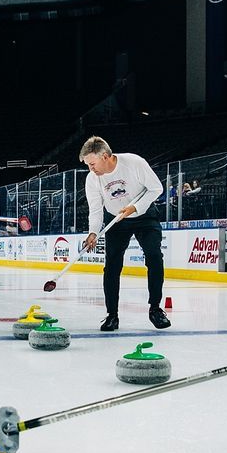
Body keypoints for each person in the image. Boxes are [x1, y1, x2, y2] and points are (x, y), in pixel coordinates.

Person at [80, 136, 170, 332]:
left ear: (105, 156)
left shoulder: (134, 163)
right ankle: (112, 315)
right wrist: (93, 233)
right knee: (112, 265)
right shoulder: (92, 179)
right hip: (116, 220)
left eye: (92, 164)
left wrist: (135, 207)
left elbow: (156, 188)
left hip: (144, 216)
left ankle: (155, 309)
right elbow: (95, 209)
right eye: (88, 165)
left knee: (154, 256)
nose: (91, 169)